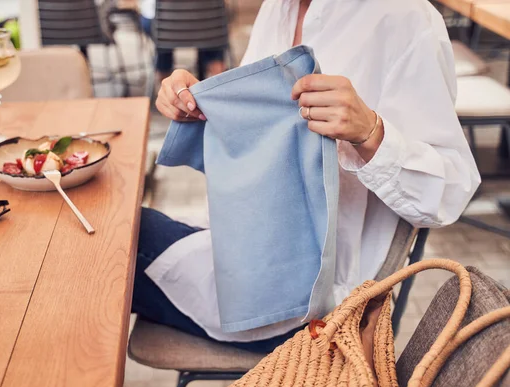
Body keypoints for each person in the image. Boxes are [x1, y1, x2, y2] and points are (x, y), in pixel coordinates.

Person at [133, 0, 481, 353]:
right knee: (114, 231)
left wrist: (370, 133)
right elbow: (259, 141)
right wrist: (204, 108)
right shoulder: (277, 9)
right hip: (247, 247)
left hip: (319, 307)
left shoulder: (406, 17)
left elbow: (449, 191)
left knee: (117, 240)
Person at [138, 0, 226, 82]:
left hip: (165, 27)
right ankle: (218, 83)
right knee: (213, 30)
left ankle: (165, 79)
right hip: (207, 24)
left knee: (159, 31)